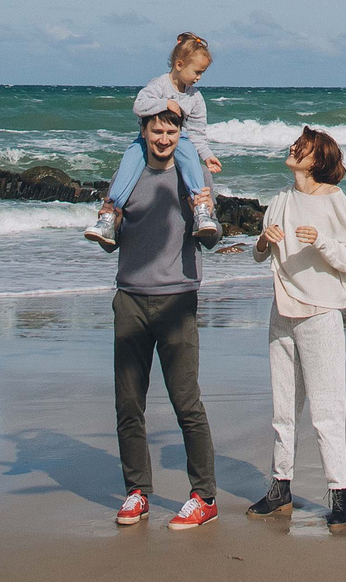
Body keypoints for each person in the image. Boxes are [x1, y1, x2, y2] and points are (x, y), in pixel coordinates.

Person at [245, 125, 346, 531]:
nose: (294, 148)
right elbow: (260, 255)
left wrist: (321, 241)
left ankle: (341, 495)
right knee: (283, 407)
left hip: (320, 312)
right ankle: (280, 488)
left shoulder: (335, 200)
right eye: (298, 143)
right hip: (282, 311)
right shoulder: (280, 199)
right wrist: (263, 240)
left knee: (327, 410)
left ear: (317, 160)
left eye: (304, 146)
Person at [110, 104, 220, 531]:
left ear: (180, 135)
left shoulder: (195, 175)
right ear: (143, 130)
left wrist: (206, 215)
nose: (163, 139)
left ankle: (204, 497)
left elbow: (212, 238)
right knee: (128, 404)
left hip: (177, 300)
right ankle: (136, 492)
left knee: (186, 402)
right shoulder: (128, 174)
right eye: (156, 131)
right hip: (130, 299)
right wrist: (109, 220)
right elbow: (109, 240)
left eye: (171, 133)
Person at [89, 34, 223, 251]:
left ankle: (200, 211)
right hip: (144, 140)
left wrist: (207, 155)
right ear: (179, 65)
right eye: (197, 72)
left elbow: (197, 133)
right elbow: (139, 106)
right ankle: (109, 216)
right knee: (128, 164)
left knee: (191, 160)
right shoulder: (159, 85)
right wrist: (166, 104)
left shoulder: (195, 98)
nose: (199, 78)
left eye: (202, 73)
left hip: (182, 138)